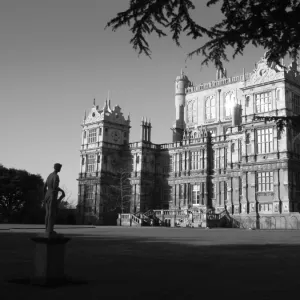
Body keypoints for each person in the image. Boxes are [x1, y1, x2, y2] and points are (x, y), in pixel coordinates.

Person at [44, 163, 65, 236]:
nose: (60, 169)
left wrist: (45, 195)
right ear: (57, 168)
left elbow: (45, 186)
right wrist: (62, 191)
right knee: (51, 214)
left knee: (47, 213)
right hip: (52, 195)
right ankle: (50, 230)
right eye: (60, 168)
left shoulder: (49, 175)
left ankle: (47, 229)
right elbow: (55, 187)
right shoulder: (56, 176)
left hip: (47, 195)